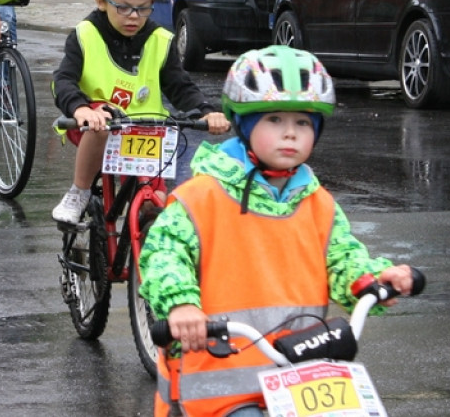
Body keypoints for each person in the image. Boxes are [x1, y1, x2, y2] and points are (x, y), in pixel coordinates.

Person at [139, 45, 417, 416]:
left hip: (301, 377)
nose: (290, 134)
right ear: (244, 125)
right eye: (274, 120)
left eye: (303, 123)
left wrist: (372, 280)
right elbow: (163, 254)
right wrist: (181, 305)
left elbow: (343, 256)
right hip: (222, 384)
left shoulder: (318, 203)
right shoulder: (199, 197)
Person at [50, 0, 231, 224]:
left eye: (143, 8)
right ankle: (79, 191)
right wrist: (81, 108)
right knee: (101, 123)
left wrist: (206, 111)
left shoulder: (160, 39)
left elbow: (180, 86)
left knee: (155, 202)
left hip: (145, 132)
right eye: (122, 7)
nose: (133, 16)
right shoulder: (84, 35)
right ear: (100, 1)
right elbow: (63, 80)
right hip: (93, 127)